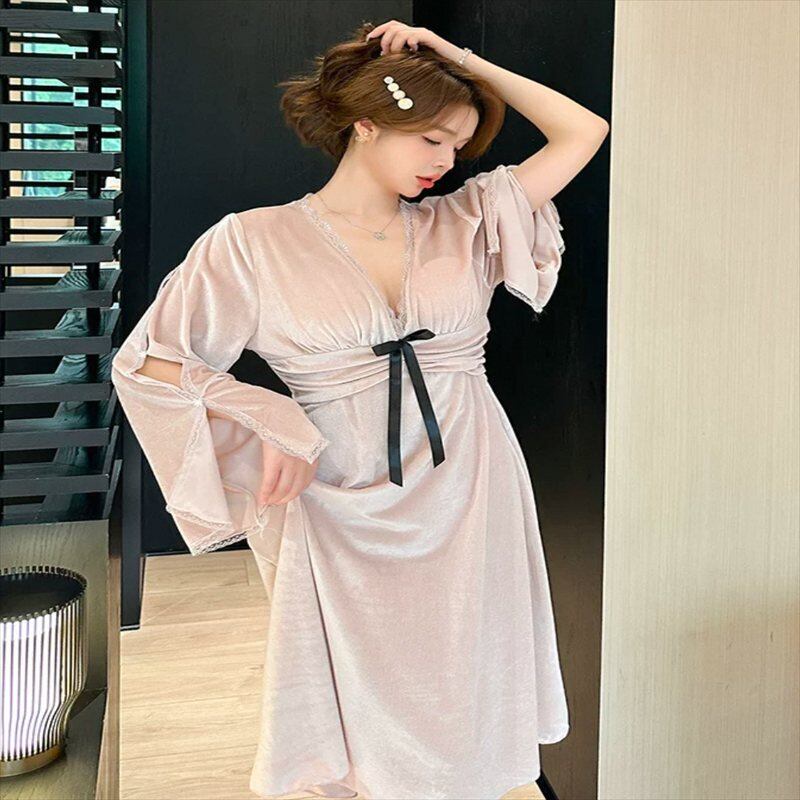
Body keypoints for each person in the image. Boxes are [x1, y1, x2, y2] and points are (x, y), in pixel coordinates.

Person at [111, 19, 608, 800]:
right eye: (433, 139)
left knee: (468, 663)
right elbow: (150, 361)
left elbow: (584, 131)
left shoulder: (468, 218)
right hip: (336, 497)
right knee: (354, 685)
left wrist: (454, 58)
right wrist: (271, 419)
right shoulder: (251, 243)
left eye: (458, 147)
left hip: (471, 480)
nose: (446, 162)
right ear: (367, 123)